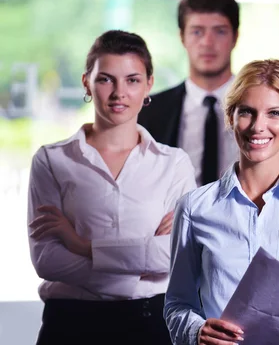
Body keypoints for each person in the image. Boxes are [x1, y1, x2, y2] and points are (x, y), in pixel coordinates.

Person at [27, 30, 196, 345]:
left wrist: (82, 245)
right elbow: (47, 259)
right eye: (106, 79)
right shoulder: (51, 161)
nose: (119, 92)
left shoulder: (173, 164)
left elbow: (177, 257)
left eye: (132, 80)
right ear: (86, 83)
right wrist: (138, 268)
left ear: (149, 85)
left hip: (151, 325)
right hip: (70, 325)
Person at [164, 59, 279, 345]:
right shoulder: (193, 208)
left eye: (274, 113)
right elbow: (177, 304)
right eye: (247, 112)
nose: (258, 126)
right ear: (231, 117)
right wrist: (197, 332)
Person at [138, 0, 279, 186]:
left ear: (235, 37)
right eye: (197, 32)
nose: (207, 42)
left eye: (219, 31)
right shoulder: (150, 112)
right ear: (182, 37)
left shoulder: (276, 111)